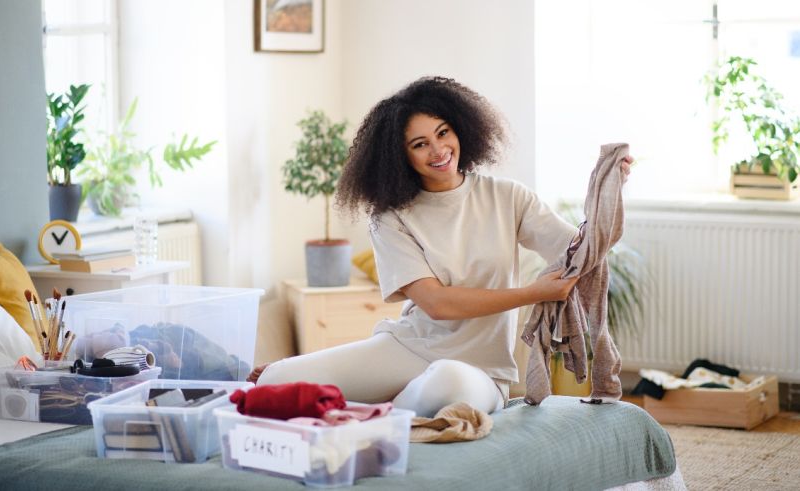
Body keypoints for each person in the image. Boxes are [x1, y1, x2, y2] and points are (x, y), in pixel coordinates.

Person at [252, 76, 632, 417]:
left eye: (444, 132)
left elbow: (580, 253)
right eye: (420, 144)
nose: (438, 150)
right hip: (410, 348)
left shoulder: (507, 197)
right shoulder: (390, 217)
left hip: (480, 370)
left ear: (461, 129)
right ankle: (383, 402)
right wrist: (532, 293)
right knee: (276, 379)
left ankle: (376, 411)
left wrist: (609, 192)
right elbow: (437, 304)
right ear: (401, 158)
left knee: (446, 384)